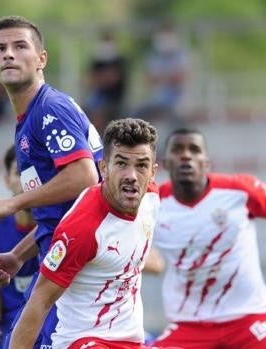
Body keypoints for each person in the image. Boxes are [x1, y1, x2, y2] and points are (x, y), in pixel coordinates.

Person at [150, 128, 266, 349]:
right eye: (177, 150)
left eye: (194, 150)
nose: (186, 156)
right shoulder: (152, 204)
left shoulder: (238, 191)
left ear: (206, 162)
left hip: (250, 317)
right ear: (165, 162)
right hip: (189, 324)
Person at [0, 16, 103, 348]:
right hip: (62, 250)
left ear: (41, 59)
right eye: (0, 48)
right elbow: (61, 211)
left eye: (20, 46)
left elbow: (84, 176)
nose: (8, 54)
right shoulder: (30, 118)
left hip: (78, 257)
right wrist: (19, 255)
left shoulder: (50, 109)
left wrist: (15, 202)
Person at [10, 118, 161, 349]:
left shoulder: (150, 199)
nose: (131, 175)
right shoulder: (83, 228)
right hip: (82, 341)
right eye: (121, 164)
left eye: (141, 165)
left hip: (131, 341)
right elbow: (39, 300)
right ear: (104, 168)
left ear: (153, 172)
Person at [0, 145, 39, 347]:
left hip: (55, 323)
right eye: (19, 172)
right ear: (7, 180)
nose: (27, 180)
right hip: (11, 326)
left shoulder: (63, 224)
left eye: (35, 170)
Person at [136, 23, 188, 123]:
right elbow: (149, 79)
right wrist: (169, 77)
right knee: (137, 114)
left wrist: (160, 78)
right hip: (155, 99)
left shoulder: (181, 55)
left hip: (177, 100)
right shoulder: (153, 56)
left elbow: (181, 77)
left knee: (175, 116)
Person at [83, 28, 128, 132]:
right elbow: (89, 81)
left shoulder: (120, 61)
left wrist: (101, 79)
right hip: (96, 97)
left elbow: (114, 80)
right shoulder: (97, 61)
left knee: (100, 112)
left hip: (114, 99)